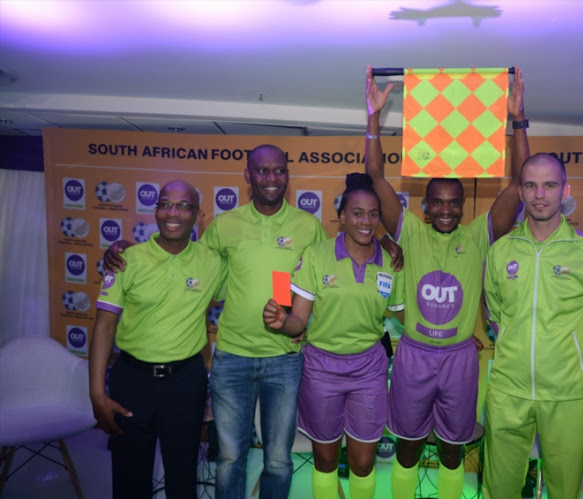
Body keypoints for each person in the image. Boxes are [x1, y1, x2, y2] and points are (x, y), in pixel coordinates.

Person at [104, 144, 402, 499]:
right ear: (248, 176)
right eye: (262, 171)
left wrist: (386, 241)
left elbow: (336, 263)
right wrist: (127, 248)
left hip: (285, 359)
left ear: (287, 175)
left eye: (278, 170)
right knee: (230, 458)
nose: (271, 178)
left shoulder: (307, 227)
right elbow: (185, 255)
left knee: (278, 461)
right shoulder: (225, 226)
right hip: (232, 358)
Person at [364, 65, 529, 499]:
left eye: (454, 203)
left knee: (454, 451)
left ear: (462, 206)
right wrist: (373, 119)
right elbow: (377, 179)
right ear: (424, 206)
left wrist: (517, 121)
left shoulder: (478, 235)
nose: (446, 210)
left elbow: (518, 184)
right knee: (407, 447)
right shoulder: (412, 234)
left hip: (459, 359)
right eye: (437, 202)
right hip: (414, 355)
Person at [482, 153, 583, 498]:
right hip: (508, 390)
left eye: (549, 185)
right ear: (521, 192)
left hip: (568, 394)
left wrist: (574, 357)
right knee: (499, 488)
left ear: (565, 191)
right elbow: (494, 315)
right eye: (530, 185)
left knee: (563, 490)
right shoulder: (500, 251)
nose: (539, 194)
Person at [262, 173, 404, 499]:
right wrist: (282, 322)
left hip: (368, 369)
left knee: (364, 464)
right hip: (321, 369)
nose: (365, 221)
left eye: (373, 214)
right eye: (357, 213)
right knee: (325, 461)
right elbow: (298, 320)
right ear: (342, 216)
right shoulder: (317, 255)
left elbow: (408, 317)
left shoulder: (391, 262)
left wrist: (452, 336)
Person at [90, 180, 227, 499]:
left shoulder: (213, 262)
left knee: (182, 477)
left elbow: (251, 282)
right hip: (132, 380)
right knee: (129, 476)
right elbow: (104, 327)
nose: (173, 213)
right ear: (156, 210)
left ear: (197, 215)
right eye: (165, 204)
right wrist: (97, 393)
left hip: (185, 381)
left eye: (183, 206)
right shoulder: (126, 259)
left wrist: (289, 315)